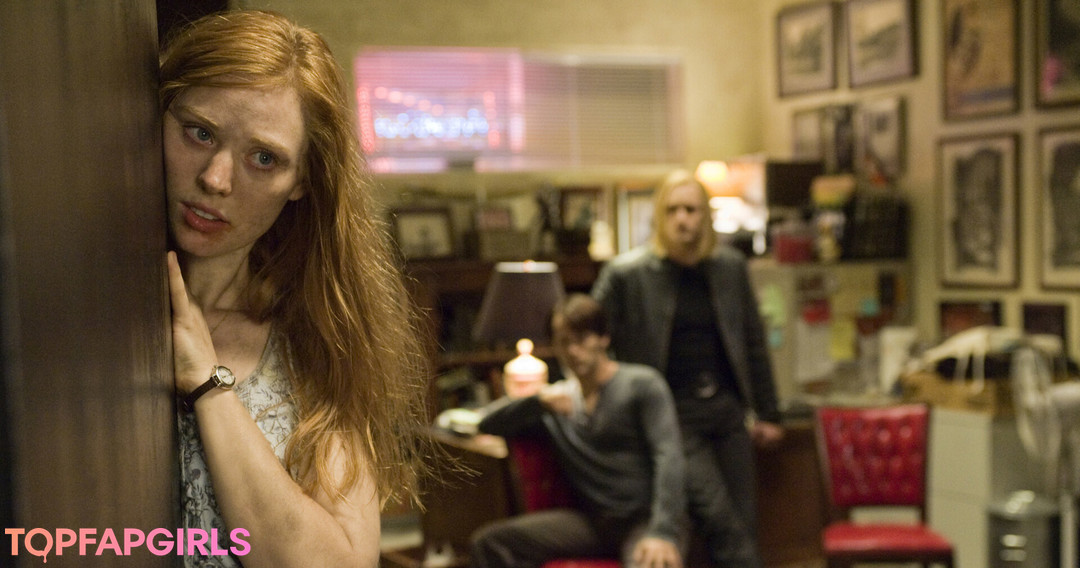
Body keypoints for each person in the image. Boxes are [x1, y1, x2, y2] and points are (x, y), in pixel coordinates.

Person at [162, 10, 431, 567]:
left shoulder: (310, 341)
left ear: (301, 182)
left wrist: (209, 384)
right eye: (199, 132)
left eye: (263, 158)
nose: (215, 179)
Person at [591, 169, 783, 568]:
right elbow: (587, 332)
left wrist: (769, 412)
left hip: (727, 413)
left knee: (743, 522)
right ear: (659, 217)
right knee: (720, 519)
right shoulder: (627, 274)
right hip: (672, 417)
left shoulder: (730, 267)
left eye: (692, 210)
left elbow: (752, 341)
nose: (683, 219)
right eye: (673, 210)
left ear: (705, 216)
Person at [470, 293, 686, 568]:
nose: (573, 351)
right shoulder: (556, 403)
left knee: (652, 562)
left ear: (603, 338)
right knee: (490, 543)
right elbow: (486, 423)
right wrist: (537, 401)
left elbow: (669, 457)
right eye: (563, 342)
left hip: (645, 520)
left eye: (582, 339)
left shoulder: (641, 384)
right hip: (592, 522)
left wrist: (663, 531)